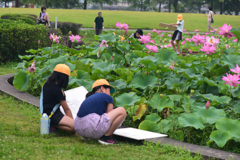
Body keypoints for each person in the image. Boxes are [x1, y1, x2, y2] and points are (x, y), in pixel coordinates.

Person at [74, 79, 126, 145]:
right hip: (90, 128)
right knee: (122, 110)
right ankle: (106, 138)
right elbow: (109, 117)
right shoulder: (107, 97)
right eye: (109, 91)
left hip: (78, 129)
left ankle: (89, 137)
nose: (110, 94)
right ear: (102, 88)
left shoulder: (89, 98)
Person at [42, 64, 75, 133]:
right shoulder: (57, 90)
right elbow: (66, 109)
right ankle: (53, 124)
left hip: (45, 113)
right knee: (74, 127)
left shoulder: (46, 85)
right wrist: (71, 122)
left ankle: (51, 124)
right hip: (54, 115)